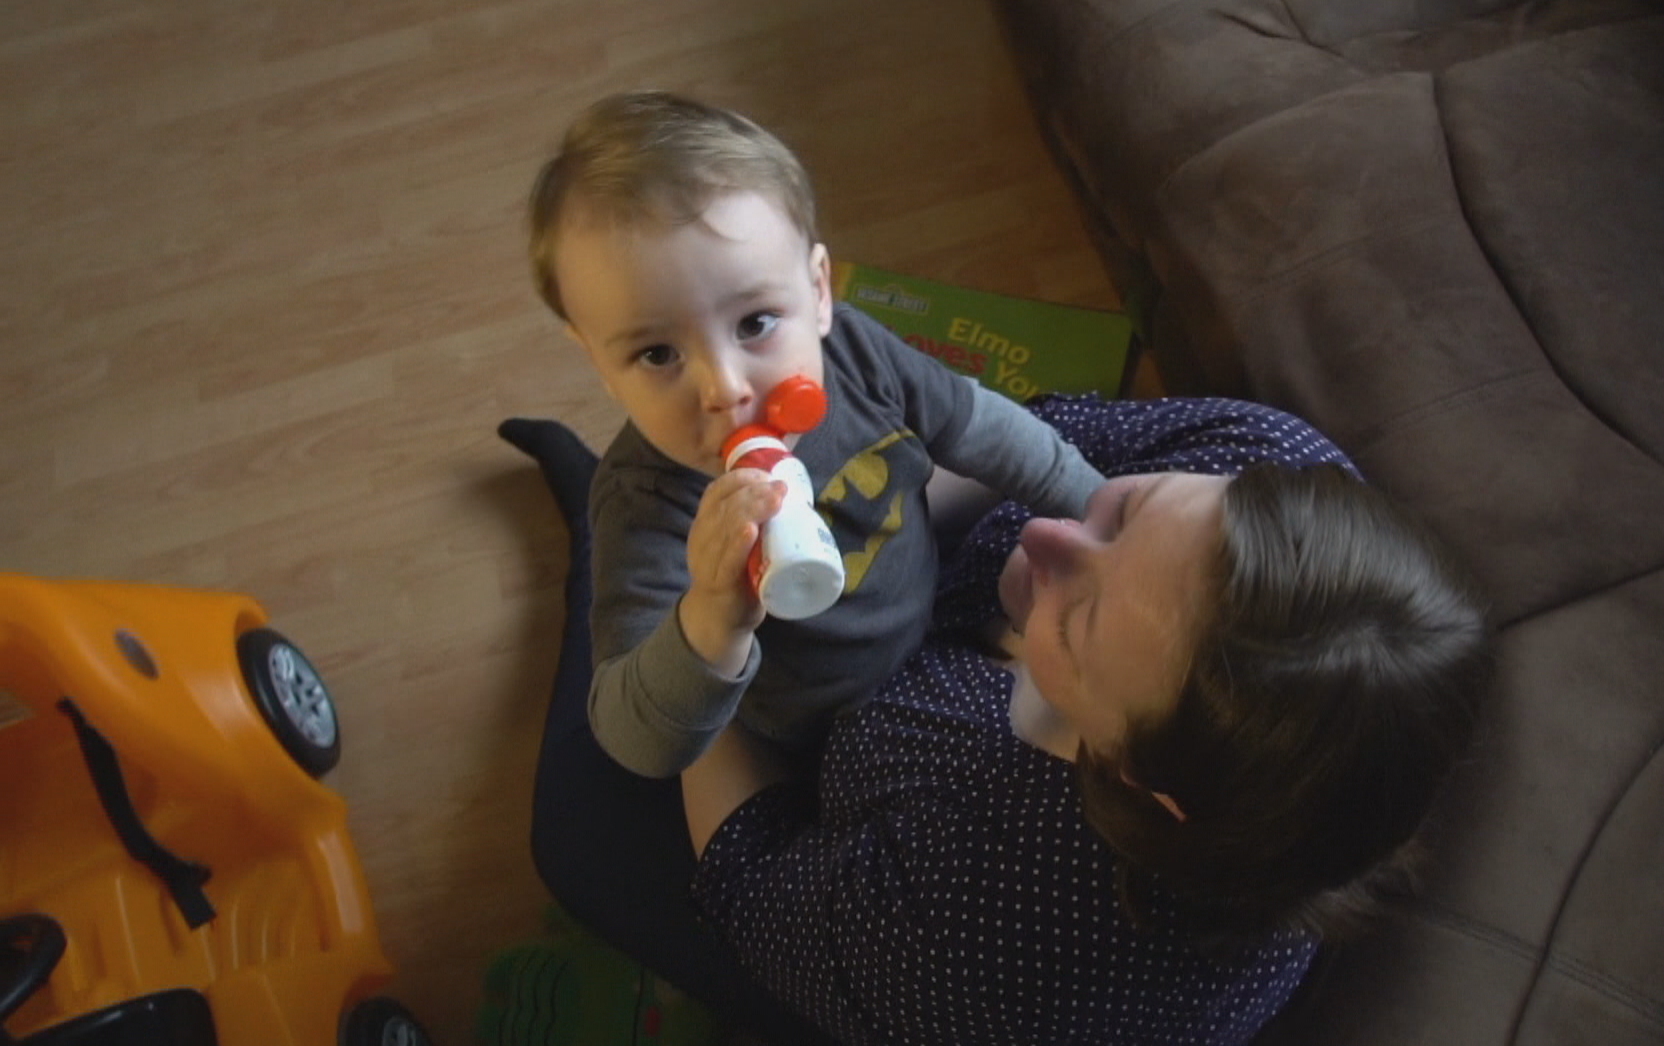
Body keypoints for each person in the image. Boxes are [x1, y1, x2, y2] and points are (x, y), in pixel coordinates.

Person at [501, 393, 1492, 1045]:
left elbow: (753, 873)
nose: (1048, 541)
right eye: (1125, 513)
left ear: (1135, 771)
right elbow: (1044, 443)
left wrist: (701, 641)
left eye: (1085, 612)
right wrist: (838, 515)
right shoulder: (1268, 455)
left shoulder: (1002, 932)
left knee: (583, 824)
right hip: (902, 689)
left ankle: (596, 523)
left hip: (859, 907)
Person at [526, 91, 1104, 781]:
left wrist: (1102, 512)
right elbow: (634, 742)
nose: (725, 388)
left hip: (930, 607)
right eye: (657, 355)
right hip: (824, 733)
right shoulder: (648, 502)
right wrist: (714, 614)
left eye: (755, 324)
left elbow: (985, 427)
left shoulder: (858, 353)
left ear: (820, 294)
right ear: (600, 366)